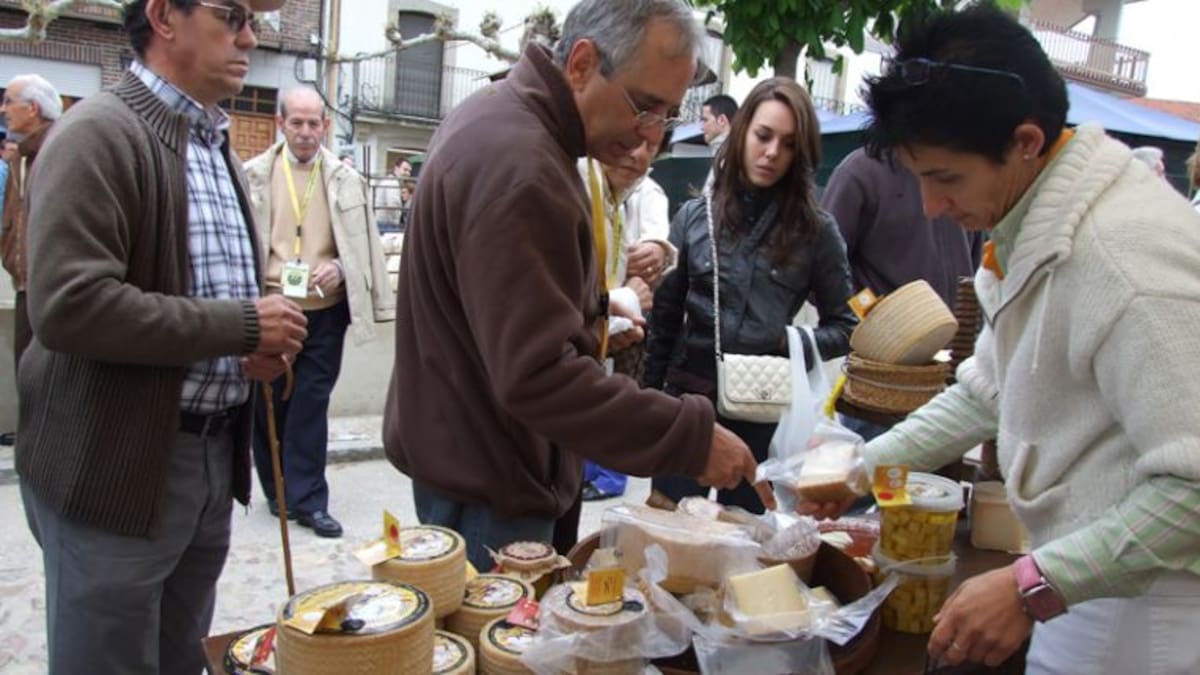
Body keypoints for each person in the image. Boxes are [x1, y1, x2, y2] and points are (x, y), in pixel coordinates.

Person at [802, 4, 1200, 672]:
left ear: (1025, 141)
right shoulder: (1034, 223)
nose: (932, 207)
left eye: (946, 179)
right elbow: (987, 391)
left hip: (1146, 607)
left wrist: (1032, 584)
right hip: (1090, 578)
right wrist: (864, 468)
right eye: (919, 178)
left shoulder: (1124, 257)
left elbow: (1192, 488)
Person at [385, 0, 770, 572]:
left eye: (667, 115)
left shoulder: (507, 120)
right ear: (583, 64)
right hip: (491, 482)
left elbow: (497, 314)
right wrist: (690, 438)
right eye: (645, 106)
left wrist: (591, 312)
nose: (651, 134)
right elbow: (538, 374)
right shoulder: (522, 163)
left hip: (479, 461)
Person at [17, 1, 308, 673]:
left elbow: (204, 297)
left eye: (252, 19)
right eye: (231, 13)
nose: (248, 36)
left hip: (207, 461)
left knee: (182, 657)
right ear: (163, 17)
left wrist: (253, 351)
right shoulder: (97, 133)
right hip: (114, 469)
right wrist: (241, 325)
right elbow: (69, 305)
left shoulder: (215, 145)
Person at [644, 77, 857, 515]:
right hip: (689, 407)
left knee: (744, 540)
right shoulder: (695, 216)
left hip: (762, 409)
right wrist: (648, 402)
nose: (772, 152)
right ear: (742, 133)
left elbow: (847, 326)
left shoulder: (815, 230)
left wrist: (786, 341)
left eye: (788, 144)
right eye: (764, 135)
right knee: (665, 531)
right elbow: (663, 320)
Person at [243, 88, 394, 538]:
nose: (306, 132)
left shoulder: (346, 180)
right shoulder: (253, 175)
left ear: (325, 126)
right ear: (281, 124)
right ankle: (276, 490)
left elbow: (363, 244)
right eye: (297, 123)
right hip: (271, 305)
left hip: (325, 311)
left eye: (314, 124)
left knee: (311, 402)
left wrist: (341, 267)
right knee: (269, 403)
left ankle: (309, 500)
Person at [820, 148, 983, 440]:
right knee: (877, 466)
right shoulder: (859, 172)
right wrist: (875, 316)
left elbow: (974, 267)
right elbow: (823, 272)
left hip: (951, 375)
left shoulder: (961, 168)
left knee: (939, 471)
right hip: (882, 384)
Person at [576, 133, 676, 505]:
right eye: (631, 142)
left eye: (651, 147)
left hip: (626, 315)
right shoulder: (582, 180)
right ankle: (588, 469)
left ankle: (609, 476)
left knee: (617, 395)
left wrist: (657, 250)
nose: (638, 155)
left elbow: (655, 246)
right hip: (600, 311)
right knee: (590, 394)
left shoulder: (646, 192)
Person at [1, 74, 62, 375]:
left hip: (55, 290)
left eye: (8, 101)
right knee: (25, 374)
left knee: (53, 380)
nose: (3, 109)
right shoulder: (19, 159)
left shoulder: (64, 152)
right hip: (25, 286)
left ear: (33, 108)